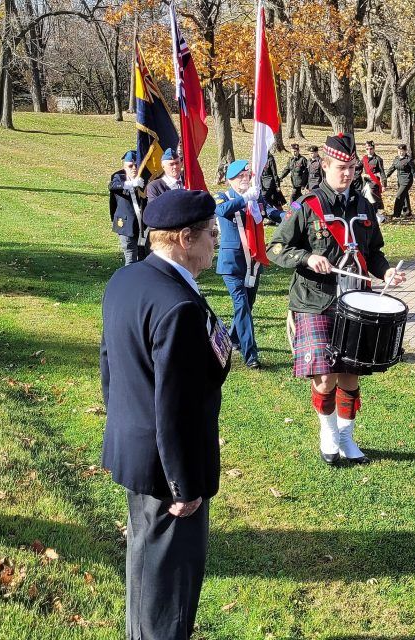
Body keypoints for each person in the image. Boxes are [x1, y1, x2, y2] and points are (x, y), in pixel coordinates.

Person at [100, 189, 231, 640]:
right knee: (172, 586)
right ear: (184, 238)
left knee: (145, 562)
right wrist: (183, 485)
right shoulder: (178, 306)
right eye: (211, 234)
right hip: (166, 467)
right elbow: (175, 406)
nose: (216, 241)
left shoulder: (127, 280)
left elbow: (109, 365)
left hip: (135, 450)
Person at [267, 133, 406, 465]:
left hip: (356, 300)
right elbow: (276, 248)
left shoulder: (363, 205)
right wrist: (306, 258)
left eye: (352, 168)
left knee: (350, 374)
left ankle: (346, 436)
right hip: (316, 300)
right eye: (342, 167)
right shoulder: (307, 205)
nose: (348, 174)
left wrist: (386, 273)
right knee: (325, 376)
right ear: (325, 165)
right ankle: (328, 433)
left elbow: (374, 252)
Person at [214, 159, 281, 369]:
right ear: (231, 180)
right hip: (232, 264)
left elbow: (271, 212)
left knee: (247, 306)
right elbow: (221, 210)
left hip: (253, 262)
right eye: (240, 176)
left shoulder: (255, 197)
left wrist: (291, 214)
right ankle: (250, 354)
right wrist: (244, 199)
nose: (245, 179)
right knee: (241, 305)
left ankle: (234, 338)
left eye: (247, 175)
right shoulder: (223, 196)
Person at [109, 150, 148, 265]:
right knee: (130, 259)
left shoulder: (144, 179)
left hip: (143, 225)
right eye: (130, 166)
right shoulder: (118, 178)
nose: (134, 168)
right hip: (126, 225)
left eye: (136, 165)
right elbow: (113, 186)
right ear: (124, 167)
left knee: (144, 259)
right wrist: (131, 184)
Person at [356, 140, 387, 219]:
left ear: (374, 149)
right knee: (364, 197)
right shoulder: (364, 158)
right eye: (367, 149)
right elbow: (358, 167)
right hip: (365, 181)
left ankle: (376, 214)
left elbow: (382, 172)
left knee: (373, 197)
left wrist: (384, 185)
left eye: (370, 149)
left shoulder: (378, 159)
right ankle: (370, 214)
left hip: (374, 181)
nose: (369, 150)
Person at [389, 144, 415, 219]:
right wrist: (385, 177)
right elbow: (392, 169)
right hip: (400, 180)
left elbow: (414, 171)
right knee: (404, 195)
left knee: (398, 196)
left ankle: (396, 214)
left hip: (407, 180)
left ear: (405, 151)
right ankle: (407, 212)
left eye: (402, 151)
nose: (400, 152)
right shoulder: (396, 159)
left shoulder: (409, 160)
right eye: (399, 151)